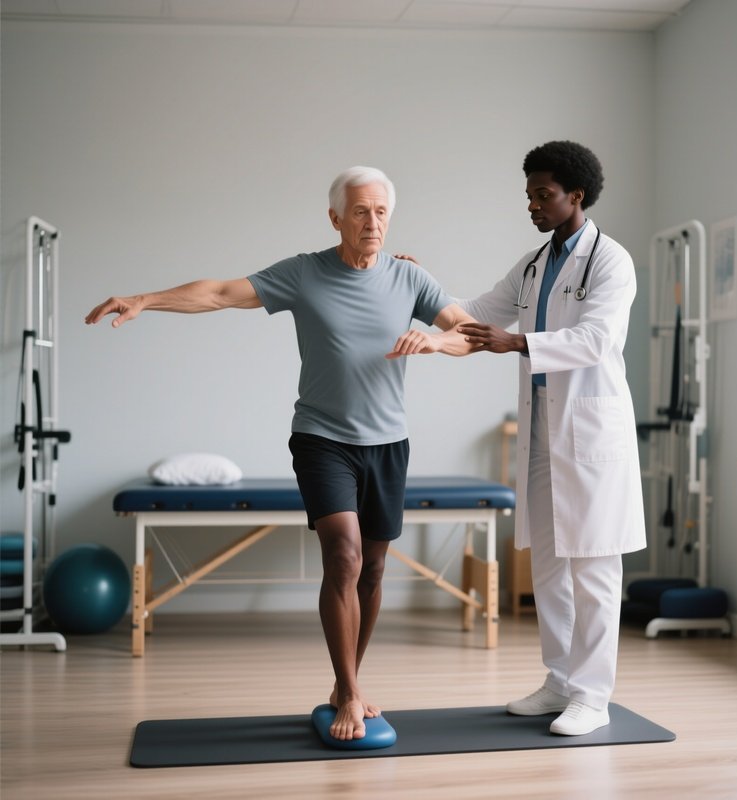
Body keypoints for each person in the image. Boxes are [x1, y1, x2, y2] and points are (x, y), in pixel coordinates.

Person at [85, 166, 476, 741]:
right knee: (342, 556)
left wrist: (439, 340)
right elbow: (220, 292)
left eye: (382, 212)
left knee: (372, 570)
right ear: (335, 217)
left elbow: (471, 332)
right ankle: (348, 693)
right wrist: (148, 299)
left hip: (388, 442)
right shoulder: (305, 272)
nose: (372, 222)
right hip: (321, 438)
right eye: (361, 211)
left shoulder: (410, 279)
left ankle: (349, 683)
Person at [447, 141, 645, 735]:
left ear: (575, 196)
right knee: (550, 565)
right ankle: (559, 681)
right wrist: (415, 287)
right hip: (541, 429)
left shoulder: (611, 261)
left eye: (543, 194)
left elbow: (598, 341)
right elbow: (477, 312)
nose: (532, 205)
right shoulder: (534, 265)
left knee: (593, 568)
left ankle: (592, 695)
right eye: (529, 195)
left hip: (589, 433)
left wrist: (519, 343)